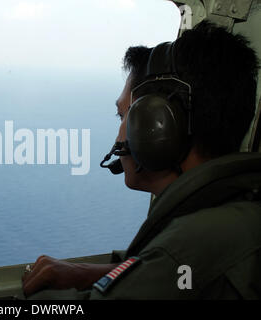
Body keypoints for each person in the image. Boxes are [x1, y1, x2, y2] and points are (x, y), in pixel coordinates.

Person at [21, 20, 261, 299]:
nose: (120, 132)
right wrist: (95, 273)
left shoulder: (189, 244)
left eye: (124, 116)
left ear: (158, 122)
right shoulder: (239, 209)